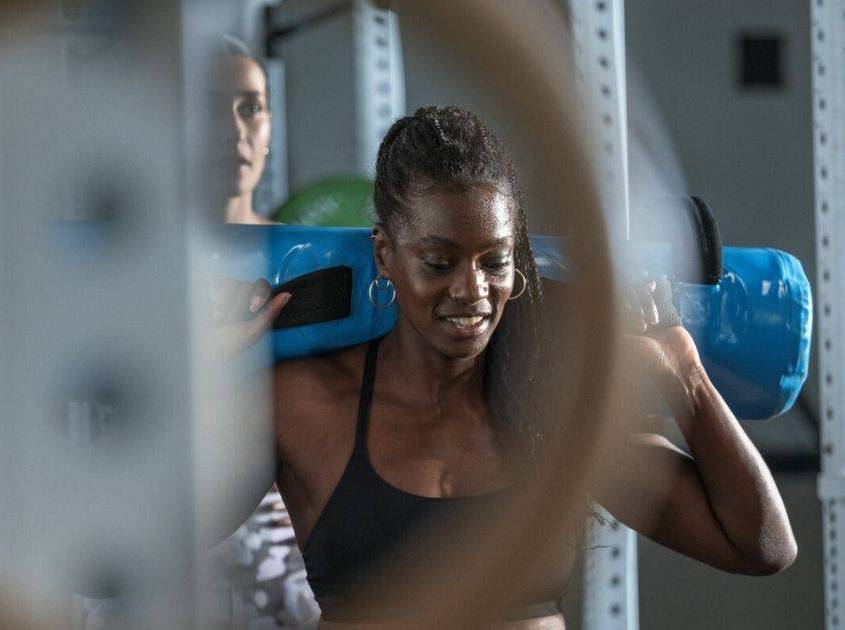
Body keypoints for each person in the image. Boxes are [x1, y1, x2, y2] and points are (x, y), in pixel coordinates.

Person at [219, 105, 797, 628]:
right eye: (439, 262)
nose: (472, 291)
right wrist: (213, 374)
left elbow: (760, 547)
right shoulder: (304, 402)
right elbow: (170, 540)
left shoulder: (550, 406)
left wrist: (684, 373)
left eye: (494, 262)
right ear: (385, 254)